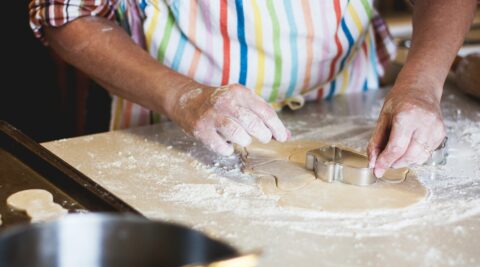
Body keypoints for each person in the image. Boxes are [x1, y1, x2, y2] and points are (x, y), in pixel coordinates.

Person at [29, 0, 476, 177]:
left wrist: (420, 84)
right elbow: (64, 15)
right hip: (176, 130)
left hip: (350, 111)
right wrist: (183, 97)